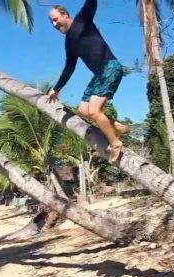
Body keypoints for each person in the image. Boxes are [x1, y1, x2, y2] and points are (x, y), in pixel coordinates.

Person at [47, 0, 129, 163]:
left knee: (94, 111)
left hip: (110, 67)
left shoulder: (82, 19)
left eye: (56, 19)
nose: (54, 24)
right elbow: (69, 67)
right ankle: (118, 127)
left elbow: (91, 2)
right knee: (83, 110)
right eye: (52, 22)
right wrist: (57, 89)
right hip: (99, 75)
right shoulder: (69, 42)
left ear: (65, 15)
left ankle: (115, 143)